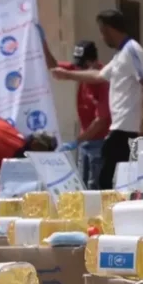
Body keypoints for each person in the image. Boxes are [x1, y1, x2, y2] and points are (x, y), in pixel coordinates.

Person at [51, 9, 143, 189]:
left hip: (131, 130)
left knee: (108, 180)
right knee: (113, 182)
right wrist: (68, 75)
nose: (102, 37)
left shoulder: (133, 50)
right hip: (122, 128)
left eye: (102, 31)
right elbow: (99, 75)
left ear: (109, 29)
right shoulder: (119, 55)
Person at [39, 38, 110, 190]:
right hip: (85, 143)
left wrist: (77, 141)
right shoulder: (81, 72)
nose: (79, 69)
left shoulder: (103, 80)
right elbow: (54, 67)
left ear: (93, 62)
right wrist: (42, 42)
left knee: (94, 188)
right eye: (78, 65)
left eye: (83, 66)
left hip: (100, 143)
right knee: (82, 188)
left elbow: (102, 120)